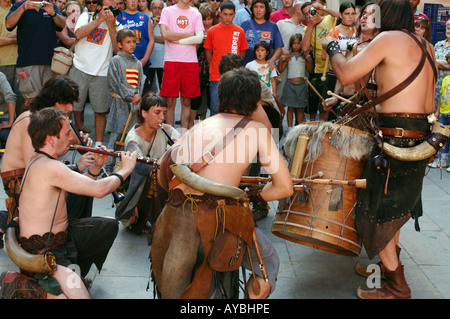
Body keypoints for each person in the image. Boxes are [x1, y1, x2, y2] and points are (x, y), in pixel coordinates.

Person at [322, 0, 437, 299]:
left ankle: (397, 286)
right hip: (419, 137)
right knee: (395, 209)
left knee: (376, 210)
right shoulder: (426, 44)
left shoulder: (388, 39)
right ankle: (388, 272)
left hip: (395, 139)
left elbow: (345, 75)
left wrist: (333, 49)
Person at [152, 67, 293, 299]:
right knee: (268, 262)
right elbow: (284, 187)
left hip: (174, 213)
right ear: (254, 102)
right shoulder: (256, 130)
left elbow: (162, 168)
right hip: (218, 217)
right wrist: (253, 196)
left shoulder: (201, 124)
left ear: (222, 96)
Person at [15, 107, 137, 299]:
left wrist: (97, 166)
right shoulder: (50, 167)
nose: (71, 139)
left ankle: (77, 273)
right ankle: (48, 286)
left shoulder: (39, 159)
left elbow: (82, 185)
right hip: (46, 252)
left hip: (62, 237)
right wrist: (126, 170)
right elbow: (99, 190)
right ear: (51, 139)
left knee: (106, 227)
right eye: (66, 134)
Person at [0, 75, 96, 247]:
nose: (70, 108)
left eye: (72, 103)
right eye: (65, 102)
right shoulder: (30, 119)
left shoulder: (52, 118)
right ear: (52, 100)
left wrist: (83, 142)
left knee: (82, 185)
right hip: (19, 179)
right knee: (74, 189)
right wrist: (74, 167)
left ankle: (70, 231)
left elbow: (73, 140)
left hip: (36, 173)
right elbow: (35, 166)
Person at [116, 92, 180, 234]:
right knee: (154, 178)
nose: (162, 118)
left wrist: (180, 144)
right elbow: (142, 166)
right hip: (141, 187)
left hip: (160, 176)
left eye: (164, 113)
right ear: (144, 113)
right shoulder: (133, 139)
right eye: (157, 113)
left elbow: (183, 141)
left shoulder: (165, 129)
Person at [70, 0, 122, 143]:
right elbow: (79, 34)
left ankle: (98, 144)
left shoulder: (117, 24)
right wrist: (99, 19)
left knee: (100, 111)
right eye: (104, 7)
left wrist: (111, 25)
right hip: (79, 68)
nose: (107, 11)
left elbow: (118, 51)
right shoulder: (86, 17)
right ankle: (70, 140)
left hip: (101, 72)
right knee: (70, 107)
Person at [5, 0, 66, 105]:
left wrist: (53, 13)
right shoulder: (19, 5)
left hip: (50, 62)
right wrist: (23, 8)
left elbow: (62, 25)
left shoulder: (51, 6)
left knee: (50, 100)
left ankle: (47, 122)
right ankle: (29, 122)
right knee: (31, 100)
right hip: (27, 62)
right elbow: (9, 24)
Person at [158, 0, 204, 133]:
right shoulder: (167, 11)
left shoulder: (196, 13)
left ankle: (183, 136)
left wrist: (176, 39)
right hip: (172, 61)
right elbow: (165, 35)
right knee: (170, 103)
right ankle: (170, 137)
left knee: (187, 102)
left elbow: (199, 38)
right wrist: (188, 36)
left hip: (190, 62)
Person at [104, 28, 145, 173]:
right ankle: (108, 166)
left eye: (134, 42)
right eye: (128, 42)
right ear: (120, 44)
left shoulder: (138, 63)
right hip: (119, 104)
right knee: (116, 136)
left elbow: (140, 83)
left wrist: (137, 97)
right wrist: (130, 95)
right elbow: (114, 83)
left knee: (130, 137)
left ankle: (127, 168)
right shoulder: (116, 61)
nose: (132, 44)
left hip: (133, 106)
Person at [204, 0, 248, 116]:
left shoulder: (239, 31)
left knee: (234, 109)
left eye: (230, 14)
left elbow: (242, 52)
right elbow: (208, 51)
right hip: (216, 76)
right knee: (215, 109)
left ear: (234, 14)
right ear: (220, 13)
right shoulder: (212, 31)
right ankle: (215, 134)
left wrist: (236, 66)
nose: (228, 17)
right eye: (225, 14)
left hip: (234, 76)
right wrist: (212, 66)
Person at [301, 0, 338, 121]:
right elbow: (305, 48)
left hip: (332, 70)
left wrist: (324, 8)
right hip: (318, 71)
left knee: (327, 107)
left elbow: (343, 16)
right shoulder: (307, 29)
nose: (309, 15)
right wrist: (310, 26)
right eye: (306, 14)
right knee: (316, 105)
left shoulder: (329, 19)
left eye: (311, 11)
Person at [118, 0, 155, 94]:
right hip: (124, 63)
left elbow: (151, 40)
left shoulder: (145, 17)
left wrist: (145, 59)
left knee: (145, 94)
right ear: (125, 1)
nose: (133, 1)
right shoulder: (119, 16)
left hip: (142, 62)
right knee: (125, 95)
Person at [278, 33, 312, 130]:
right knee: (290, 108)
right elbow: (280, 69)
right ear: (291, 44)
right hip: (290, 85)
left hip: (301, 85)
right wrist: (282, 60)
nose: (296, 45)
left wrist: (309, 60)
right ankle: (289, 129)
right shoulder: (289, 55)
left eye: (298, 43)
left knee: (300, 108)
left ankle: (299, 129)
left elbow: (310, 70)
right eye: (294, 43)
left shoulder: (304, 56)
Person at [190, 2, 216, 124]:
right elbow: (191, 51)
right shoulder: (196, 30)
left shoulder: (216, 30)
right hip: (198, 68)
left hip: (212, 67)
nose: (206, 22)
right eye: (204, 19)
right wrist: (199, 42)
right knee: (196, 98)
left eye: (209, 19)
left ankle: (206, 123)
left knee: (211, 99)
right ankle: (192, 125)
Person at [241, 0, 284, 69]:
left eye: (261, 7)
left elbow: (279, 48)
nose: (258, 10)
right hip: (246, 68)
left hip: (265, 68)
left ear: (266, 9)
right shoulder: (245, 25)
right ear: (252, 9)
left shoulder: (273, 26)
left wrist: (273, 60)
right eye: (255, 7)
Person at [276, 0, 305, 102]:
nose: (307, 13)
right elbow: (272, 42)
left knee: (298, 101)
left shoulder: (305, 29)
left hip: (299, 70)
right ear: (297, 10)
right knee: (279, 95)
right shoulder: (281, 24)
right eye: (305, 11)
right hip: (282, 67)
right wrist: (282, 50)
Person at [0, 0, 23, 117]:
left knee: (21, 101)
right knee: (5, 102)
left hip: (21, 62)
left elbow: (27, 36)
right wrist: (16, 38)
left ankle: (19, 128)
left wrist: (6, 39)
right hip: (2, 63)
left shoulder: (18, 9)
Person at [148, 0, 165, 92]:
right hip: (149, 60)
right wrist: (153, 26)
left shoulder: (167, 22)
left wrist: (152, 38)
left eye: (160, 8)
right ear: (151, 9)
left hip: (163, 61)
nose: (157, 10)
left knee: (163, 88)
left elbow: (167, 39)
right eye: (155, 7)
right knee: (148, 89)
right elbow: (145, 39)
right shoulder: (147, 21)